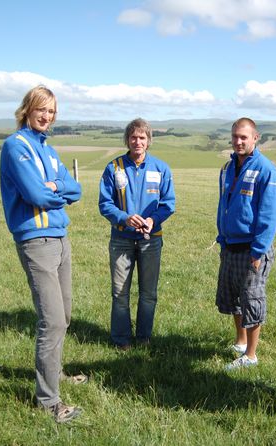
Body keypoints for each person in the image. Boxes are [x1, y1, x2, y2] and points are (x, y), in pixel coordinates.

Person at [0, 85, 85, 423]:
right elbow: (35, 193)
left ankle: (55, 373)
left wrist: (57, 188)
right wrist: (52, 189)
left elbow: (75, 188)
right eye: (41, 109)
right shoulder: (15, 147)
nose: (46, 116)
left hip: (61, 238)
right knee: (51, 319)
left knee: (64, 315)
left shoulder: (48, 150)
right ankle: (49, 401)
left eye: (51, 111)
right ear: (27, 109)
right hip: (36, 240)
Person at [99, 118, 175, 350]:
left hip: (151, 240)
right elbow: (105, 204)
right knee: (120, 293)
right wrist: (124, 218)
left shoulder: (161, 169)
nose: (137, 141)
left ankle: (144, 338)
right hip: (121, 239)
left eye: (142, 137)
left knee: (148, 293)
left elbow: (168, 204)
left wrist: (153, 220)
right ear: (127, 140)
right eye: (133, 137)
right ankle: (121, 340)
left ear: (149, 141)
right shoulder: (113, 168)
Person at [216, 117, 276, 370]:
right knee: (234, 297)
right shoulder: (227, 168)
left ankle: (251, 355)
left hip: (253, 248)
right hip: (230, 244)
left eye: (244, 137)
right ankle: (241, 341)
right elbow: (224, 204)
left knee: (252, 298)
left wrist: (259, 249)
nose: (238, 141)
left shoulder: (266, 169)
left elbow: (270, 213)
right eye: (235, 136)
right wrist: (222, 237)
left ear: (256, 138)